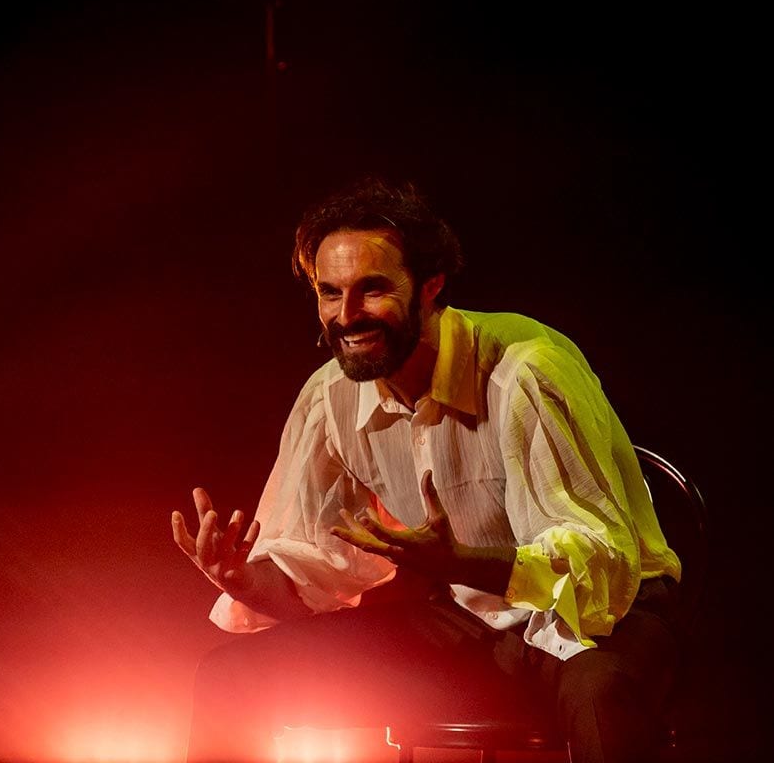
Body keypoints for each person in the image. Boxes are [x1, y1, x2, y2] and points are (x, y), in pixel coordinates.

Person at [171, 175, 682, 763]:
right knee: (231, 675)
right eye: (330, 292)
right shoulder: (330, 398)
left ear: (431, 285)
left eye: (373, 290)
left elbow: (601, 559)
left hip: (606, 617)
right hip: (467, 623)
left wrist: (463, 563)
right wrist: (238, 577)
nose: (348, 315)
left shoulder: (526, 371)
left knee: (600, 693)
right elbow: (321, 572)